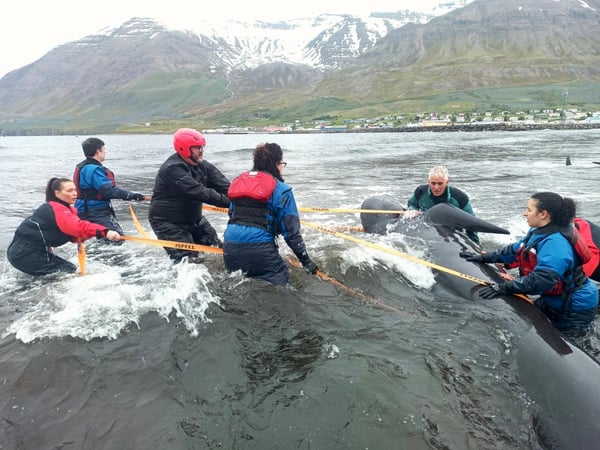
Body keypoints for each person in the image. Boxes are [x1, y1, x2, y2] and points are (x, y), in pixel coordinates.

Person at [461, 192, 598, 340]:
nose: (525, 213)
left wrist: (502, 288)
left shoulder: (556, 243)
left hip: (575, 306)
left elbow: (543, 279)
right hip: (554, 298)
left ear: (543, 214)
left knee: (565, 345)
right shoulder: (537, 231)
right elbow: (515, 250)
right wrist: (483, 258)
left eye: (529, 210)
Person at [222, 142, 318, 285]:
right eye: (282, 163)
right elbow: (291, 233)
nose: (282, 168)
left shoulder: (239, 183)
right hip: (260, 249)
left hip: (229, 246)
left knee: (239, 284)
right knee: (283, 287)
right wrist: (306, 261)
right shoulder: (282, 190)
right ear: (275, 164)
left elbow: (232, 215)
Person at [7, 177, 121, 276]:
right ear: (57, 194)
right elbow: (78, 227)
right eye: (70, 191)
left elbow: (72, 233)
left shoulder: (63, 209)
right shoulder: (58, 210)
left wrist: (87, 235)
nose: (75, 193)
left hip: (24, 253)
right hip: (24, 254)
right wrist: (105, 232)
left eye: (75, 190)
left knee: (64, 272)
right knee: (68, 273)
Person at [148, 128, 230, 262]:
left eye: (202, 147)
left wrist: (243, 200)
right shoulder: (172, 169)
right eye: (197, 148)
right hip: (168, 223)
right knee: (189, 262)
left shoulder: (204, 166)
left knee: (219, 251)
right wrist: (231, 203)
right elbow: (201, 193)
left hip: (194, 220)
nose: (202, 151)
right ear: (184, 148)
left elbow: (226, 186)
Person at [73, 137, 145, 234]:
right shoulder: (94, 170)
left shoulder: (83, 167)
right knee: (117, 238)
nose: (105, 152)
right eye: (104, 149)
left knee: (99, 237)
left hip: (84, 209)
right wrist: (131, 196)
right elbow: (108, 191)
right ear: (98, 151)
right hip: (95, 212)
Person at [405, 165, 479, 242]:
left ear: (447, 183)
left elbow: (471, 225)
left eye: (440, 183)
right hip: (428, 230)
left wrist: (476, 245)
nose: (436, 187)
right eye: (433, 183)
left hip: (453, 235)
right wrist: (412, 210)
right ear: (428, 182)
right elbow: (412, 204)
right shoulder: (420, 191)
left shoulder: (460, 198)